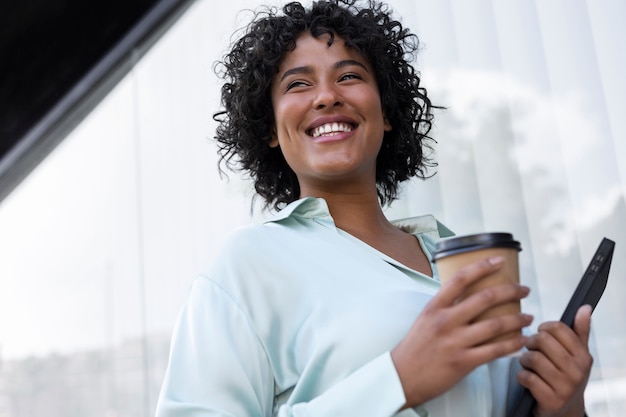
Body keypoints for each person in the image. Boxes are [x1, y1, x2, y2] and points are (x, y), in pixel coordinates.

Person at [155, 0, 593, 416]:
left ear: (385, 112)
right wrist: (397, 380)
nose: (326, 96)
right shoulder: (246, 266)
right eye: (298, 84)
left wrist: (563, 407)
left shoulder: (458, 256)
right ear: (270, 127)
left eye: (349, 77)